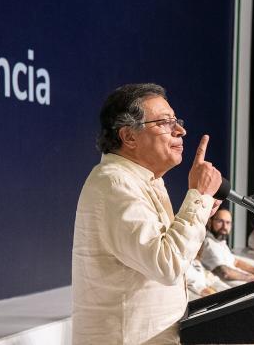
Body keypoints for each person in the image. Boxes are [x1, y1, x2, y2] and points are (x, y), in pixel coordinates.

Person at [71, 83, 223, 344]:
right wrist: (197, 197)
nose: (180, 130)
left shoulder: (144, 180)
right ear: (129, 137)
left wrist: (199, 209)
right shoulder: (115, 184)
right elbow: (166, 265)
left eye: (176, 120)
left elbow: (161, 256)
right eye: (165, 122)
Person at [201, 208, 254, 282]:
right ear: (210, 222)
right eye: (220, 221)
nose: (224, 227)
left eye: (228, 223)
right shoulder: (208, 244)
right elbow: (225, 272)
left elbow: (235, 262)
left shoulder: (219, 242)